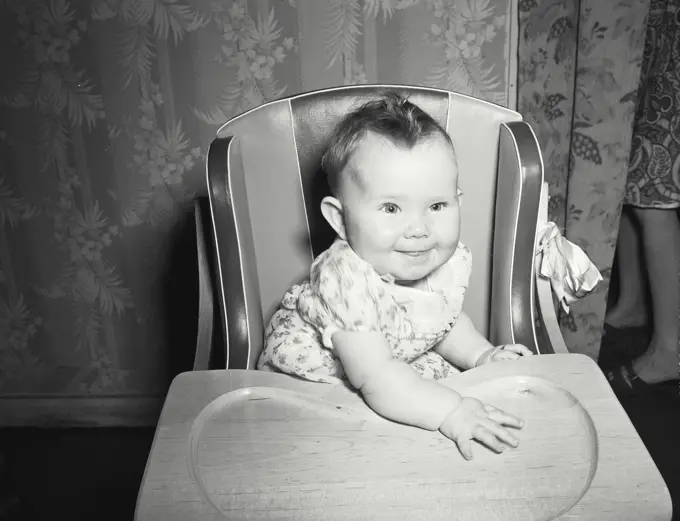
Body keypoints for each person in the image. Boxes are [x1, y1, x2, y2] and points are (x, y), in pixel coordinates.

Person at [257, 92, 533, 461]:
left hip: (394, 369)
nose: (419, 228)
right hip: (321, 385)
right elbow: (377, 377)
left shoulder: (435, 259)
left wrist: (482, 355)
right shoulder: (343, 279)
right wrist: (450, 411)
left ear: (458, 202)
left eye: (436, 206)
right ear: (340, 219)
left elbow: (442, 322)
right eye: (391, 208)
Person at [603, 0, 680, 394]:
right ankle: (632, 302)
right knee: (634, 180)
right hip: (649, 30)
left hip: (672, 36)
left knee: (656, 192)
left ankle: (670, 349)